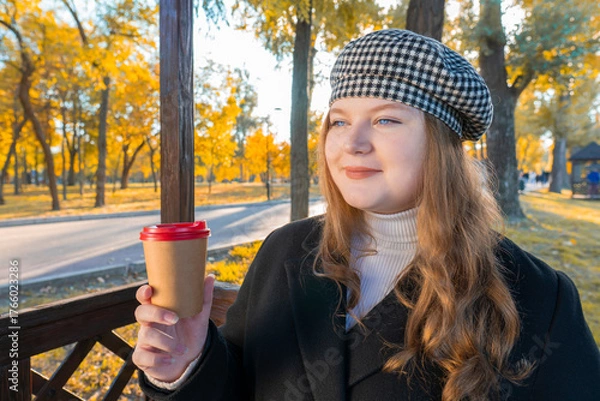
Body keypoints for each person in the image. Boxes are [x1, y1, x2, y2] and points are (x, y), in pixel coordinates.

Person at [133, 29, 600, 401]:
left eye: (385, 120)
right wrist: (188, 366)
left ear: (441, 146)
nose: (352, 142)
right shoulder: (285, 251)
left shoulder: (537, 297)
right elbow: (235, 384)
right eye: (339, 120)